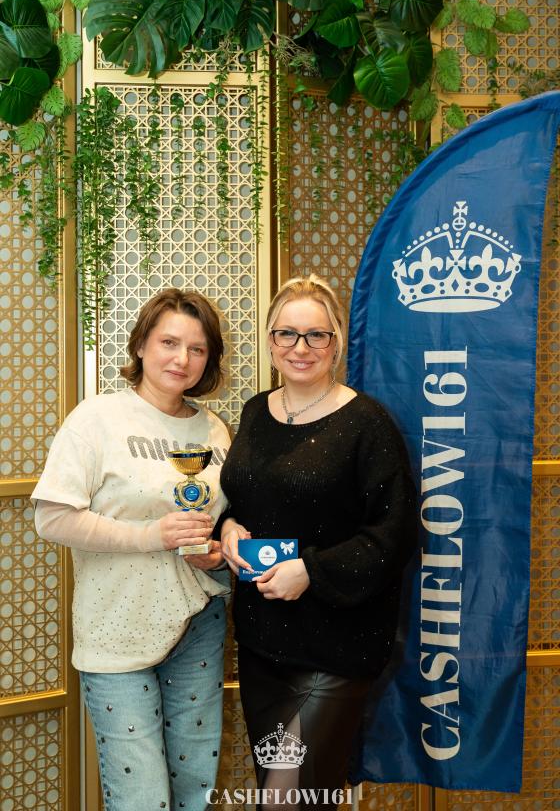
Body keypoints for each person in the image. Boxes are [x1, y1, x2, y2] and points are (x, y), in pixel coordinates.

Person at [220, 275, 417, 810]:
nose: (300, 348)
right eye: (286, 333)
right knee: (292, 795)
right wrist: (229, 526)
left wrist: (312, 570)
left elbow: (395, 533)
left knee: (288, 798)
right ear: (269, 341)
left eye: (316, 335)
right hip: (263, 644)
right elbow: (248, 500)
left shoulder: (367, 423)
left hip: (335, 647)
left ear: (337, 343)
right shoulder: (255, 411)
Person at [32, 288, 231, 811]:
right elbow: (52, 518)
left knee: (196, 791)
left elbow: (219, 520)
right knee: (140, 797)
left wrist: (214, 553)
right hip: (116, 627)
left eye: (197, 348)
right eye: (169, 342)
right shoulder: (96, 419)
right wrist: (152, 536)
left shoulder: (213, 429)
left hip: (198, 623)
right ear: (141, 344)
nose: (182, 358)